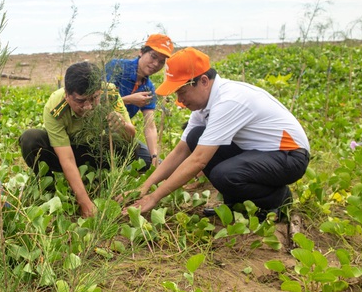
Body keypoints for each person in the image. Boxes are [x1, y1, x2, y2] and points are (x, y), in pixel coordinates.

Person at [127, 47, 310, 220]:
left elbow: (199, 159)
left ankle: (277, 198)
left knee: (224, 174)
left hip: (290, 155)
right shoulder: (203, 104)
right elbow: (181, 151)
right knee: (195, 137)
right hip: (259, 152)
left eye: (182, 92)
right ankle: (235, 203)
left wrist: (154, 198)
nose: (179, 100)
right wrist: (145, 187)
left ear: (204, 81)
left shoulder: (228, 100)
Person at [19, 61, 151, 218]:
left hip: (94, 149)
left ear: (99, 91)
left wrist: (122, 126)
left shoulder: (110, 94)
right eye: (80, 101)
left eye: (93, 98)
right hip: (67, 150)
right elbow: (66, 158)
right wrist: (85, 203)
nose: (88, 106)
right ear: (67, 95)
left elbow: (130, 136)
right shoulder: (55, 106)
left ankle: (99, 179)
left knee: (142, 155)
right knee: (30, 138)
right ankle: (49, 187)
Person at [105, 34, 174, 166]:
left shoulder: (149, 87)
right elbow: (97, 104)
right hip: (98, 131)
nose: (156, 64)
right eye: (153, 57)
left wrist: (154, 156)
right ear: (141, 52)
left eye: (161, 62)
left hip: (121, 134)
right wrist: (129, 100)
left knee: (157, 163)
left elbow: (150, 126)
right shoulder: (117, 67)